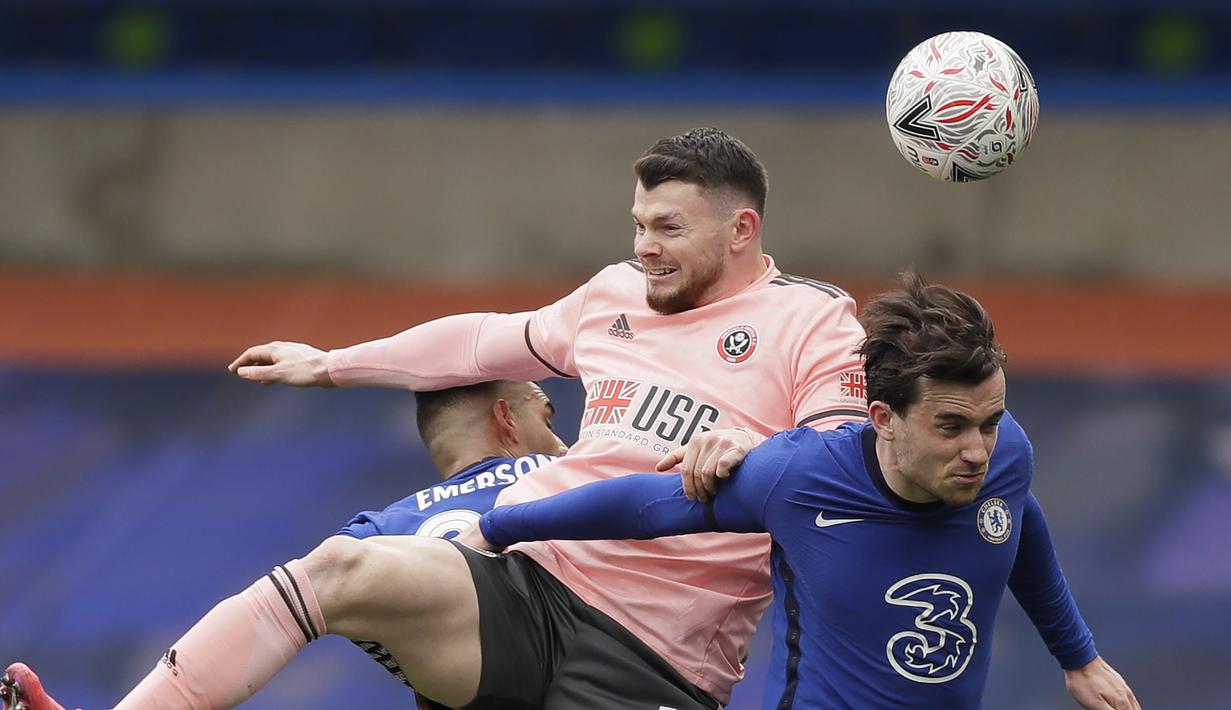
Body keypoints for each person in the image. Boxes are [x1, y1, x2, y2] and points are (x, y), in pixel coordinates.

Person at [4, 127, 869, 709]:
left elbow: (843, 458)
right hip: (535, 587)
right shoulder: (615, 295)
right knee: (342, 566)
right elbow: (483, 343)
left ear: (741, 230)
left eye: (668, 228)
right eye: (638, 222)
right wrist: (331, 364)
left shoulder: (813, 320)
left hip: (658, 657)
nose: (643, 244)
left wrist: (757, 450)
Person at [460, 273, 1141, 710]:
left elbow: (1013, 514)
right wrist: (500, 527)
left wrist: (1077, 656)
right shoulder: (798, 476)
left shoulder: (1002, 456)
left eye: (989, 423)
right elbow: (643, 506)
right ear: (882, 419)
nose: (977, 451)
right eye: (951, 427)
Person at [1, 380, 567, 710]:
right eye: (548, 415)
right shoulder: (578, 468)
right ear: (506, 419)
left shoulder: (374, 537)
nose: (560, 436)